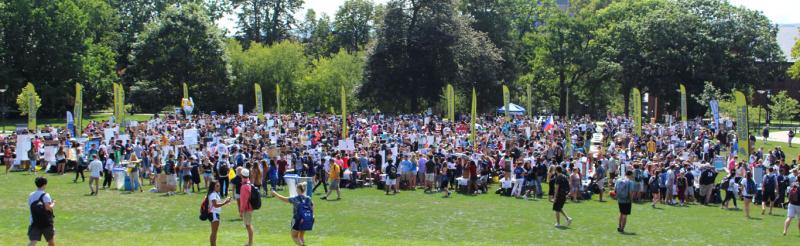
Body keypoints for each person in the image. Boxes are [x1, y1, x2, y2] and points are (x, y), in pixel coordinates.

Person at [28, 177, 56, 246]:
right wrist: (53, 203)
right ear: (44, 185)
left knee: (33, 241)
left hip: (34, 221)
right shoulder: (46, 195)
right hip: (46, 222)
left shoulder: (31, 194)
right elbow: (48, 208)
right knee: (51, 240)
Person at [207, 180, 232, 246]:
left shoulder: (215, 193)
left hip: (215, 213)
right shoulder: (213, 194)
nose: (219, 187)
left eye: (219, 186)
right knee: (214, 233)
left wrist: (225, 201)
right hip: (214, 214)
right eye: (217, 186)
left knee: (214, 232)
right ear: (213, 187)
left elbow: (216, 204)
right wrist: (225, 202)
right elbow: (215, 205)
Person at [238, 168, 254, 246]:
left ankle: (250, 243)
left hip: (247, 208)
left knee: (248, 225)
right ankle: (250, 242)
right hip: (249, 207)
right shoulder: (248, 183)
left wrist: (241, 211)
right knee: (248, 225)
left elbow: (244, 201)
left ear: (242, 175)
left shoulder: (244, 186)